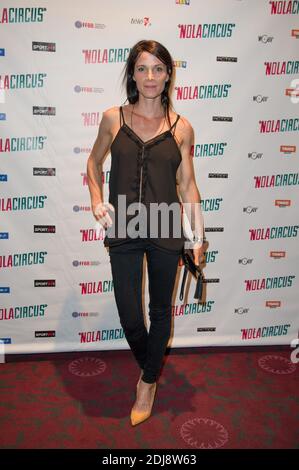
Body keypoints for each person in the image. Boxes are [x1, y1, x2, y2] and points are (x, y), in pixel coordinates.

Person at [86, 39, 205, 426]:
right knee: (130, 315)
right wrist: (95, 198)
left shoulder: (182, 127)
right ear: (132, 73)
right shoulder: (112, 118)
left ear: (169, 73)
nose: (150, 76)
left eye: (158, 68)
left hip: (166, 226)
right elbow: (93, 162)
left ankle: (147, 382)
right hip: (124, 224)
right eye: (142, 68)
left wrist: (198, 237)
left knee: (159, 310)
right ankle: (150, 365)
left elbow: (187, 186)